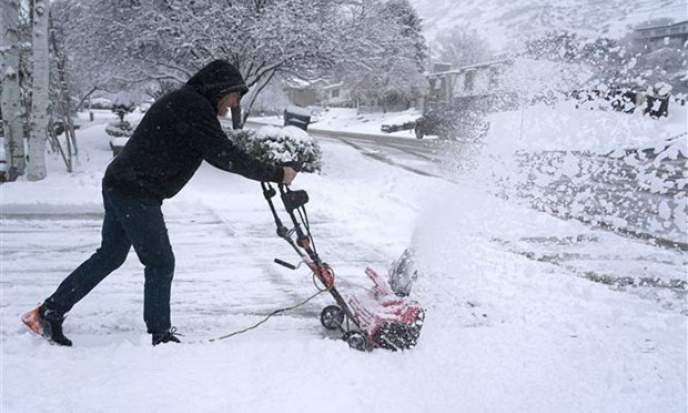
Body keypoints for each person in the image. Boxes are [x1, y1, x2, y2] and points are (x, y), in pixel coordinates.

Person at [21, 60, 298, 346]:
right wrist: (278, 173)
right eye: (234, 96)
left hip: (123, 183)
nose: (234, 103)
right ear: (220, 89)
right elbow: (225, 155)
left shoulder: (189, 103)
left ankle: (49, 312)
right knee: (160, 262)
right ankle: (160, 334)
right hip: (135, 191)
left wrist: (270, 170)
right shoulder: (193, 107)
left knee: (111, 256)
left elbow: (223, 151)